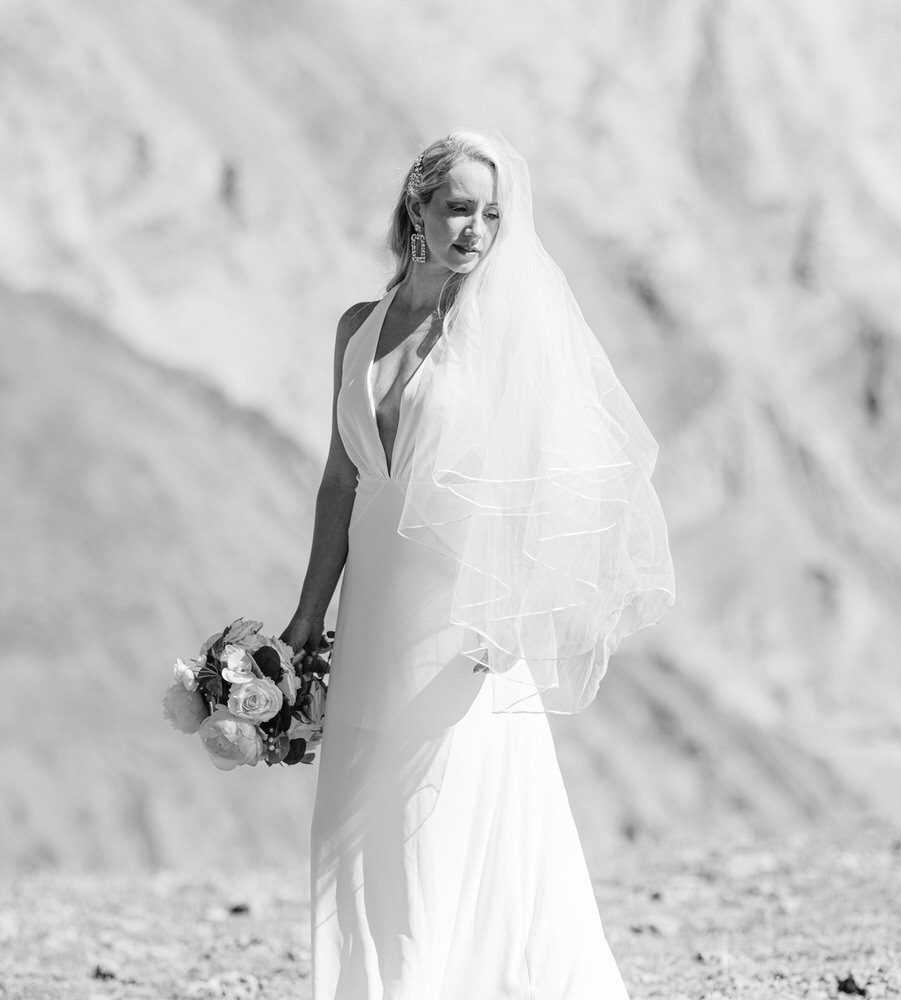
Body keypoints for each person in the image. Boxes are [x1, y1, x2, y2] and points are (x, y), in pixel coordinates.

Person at [282, 128, 674, 1000]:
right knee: (360, 799)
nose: (476, 230)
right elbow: (342, 479)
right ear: (415, 209)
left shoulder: (499, 334)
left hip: (459, 604)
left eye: (492, 215)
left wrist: (510, 607)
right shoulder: (358, 327)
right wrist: (308, 615)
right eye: (458, 207)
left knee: (444, 803)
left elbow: (542, 478)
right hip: (376, 598)